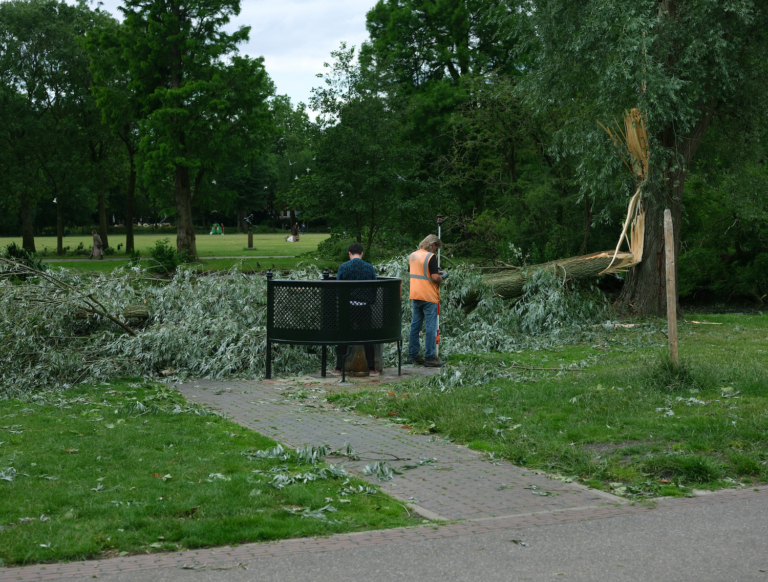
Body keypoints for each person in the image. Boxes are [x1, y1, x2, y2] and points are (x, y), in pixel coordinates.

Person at [332, 243, 379, 377]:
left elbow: (338, 287)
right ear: (362, 253)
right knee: (367, 337)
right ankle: (371, 368)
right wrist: (370, 300)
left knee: (343, 335)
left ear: (349, 253)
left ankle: (338, 368)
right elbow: (374, 286)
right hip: (364, 307)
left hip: (348, 307)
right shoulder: (369, 267)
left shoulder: (343, 267)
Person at [407, 234, 446, 367]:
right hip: (428, 296)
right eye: (436, 247)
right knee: (430, 327)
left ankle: (413, 355)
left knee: (415, 326)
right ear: (432, 244)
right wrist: (441, 278)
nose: (436, 250)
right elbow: (434, 277)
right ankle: (430, 357)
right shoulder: (431, 257)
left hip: (415, 294)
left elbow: (416, 271)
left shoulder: (412, 256)